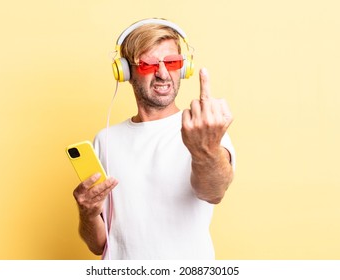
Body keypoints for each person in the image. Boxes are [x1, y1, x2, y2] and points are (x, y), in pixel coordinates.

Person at [72, 18, 235, 260]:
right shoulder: (105, 140)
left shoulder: (202, 129)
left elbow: (214, 192)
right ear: (125, 71)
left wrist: (206, 149)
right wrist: (87, 213)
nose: (162, 73)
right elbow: (99, 245)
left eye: (172, 62)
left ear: (184, 67)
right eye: (148, 64)